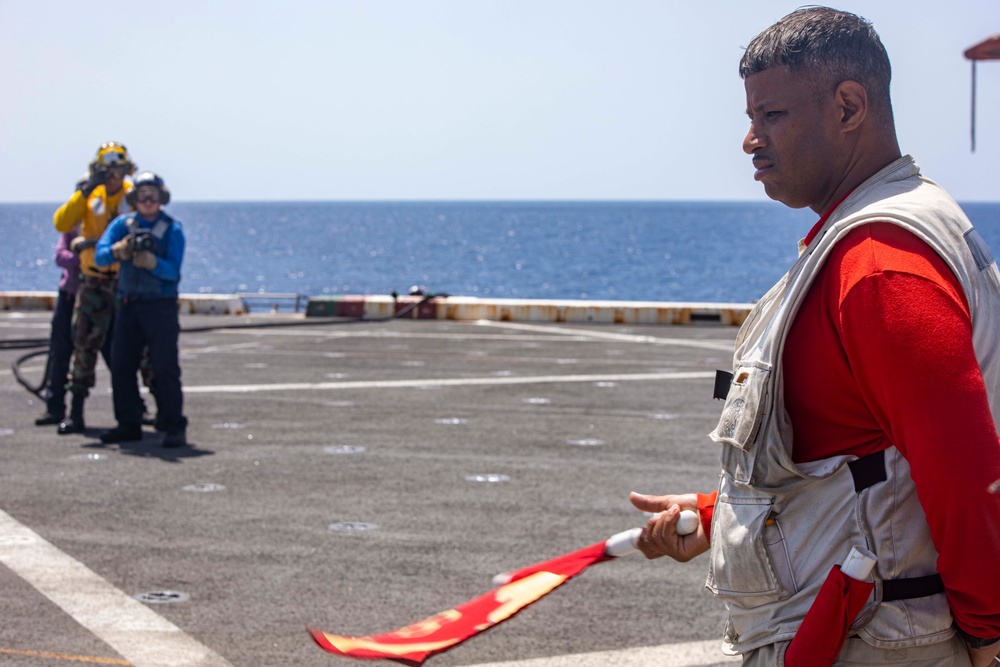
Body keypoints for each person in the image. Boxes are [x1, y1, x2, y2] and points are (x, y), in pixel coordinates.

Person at [629, 8, 1000, 667]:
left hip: (875, 644)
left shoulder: (879, 264)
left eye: (771, 115)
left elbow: (966, 475)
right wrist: (719, 517)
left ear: (849, 106)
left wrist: (992, 637)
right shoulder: (883, 233)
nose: (750, 139)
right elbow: (866, 461)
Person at [94, 172, 188, 448]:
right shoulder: (122, 225)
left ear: (162, 198)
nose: (147, 201)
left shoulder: (173, 229)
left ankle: (174, 425)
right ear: (134, 198)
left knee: (164, 365)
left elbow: (173, 272)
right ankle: (128, 423)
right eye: (142, 195)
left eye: (153, 196)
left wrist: (153, 264)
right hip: (128, 304)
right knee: (121, 365)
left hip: (160, 306)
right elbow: (100, 256)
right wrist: (118, 250)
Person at [52, 142, 137, 434]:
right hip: (93, 283)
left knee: (131, 350)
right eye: (107, 169)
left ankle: (138, 410)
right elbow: (62, 221)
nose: (112, 175)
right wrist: (87, 189)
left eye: (118, 168)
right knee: (83, 347)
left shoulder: (133, 195)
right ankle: (75, 412)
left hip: (125, 283)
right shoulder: (89, 197)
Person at [35, 174, 115, 425]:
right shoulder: (73, 224)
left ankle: (135, 407)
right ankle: (55, 406)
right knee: (62, 351)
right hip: (71, 294)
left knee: (112, 352)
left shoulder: (102, 223)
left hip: (99, 294)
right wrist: (82, 258)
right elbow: (60, 255)